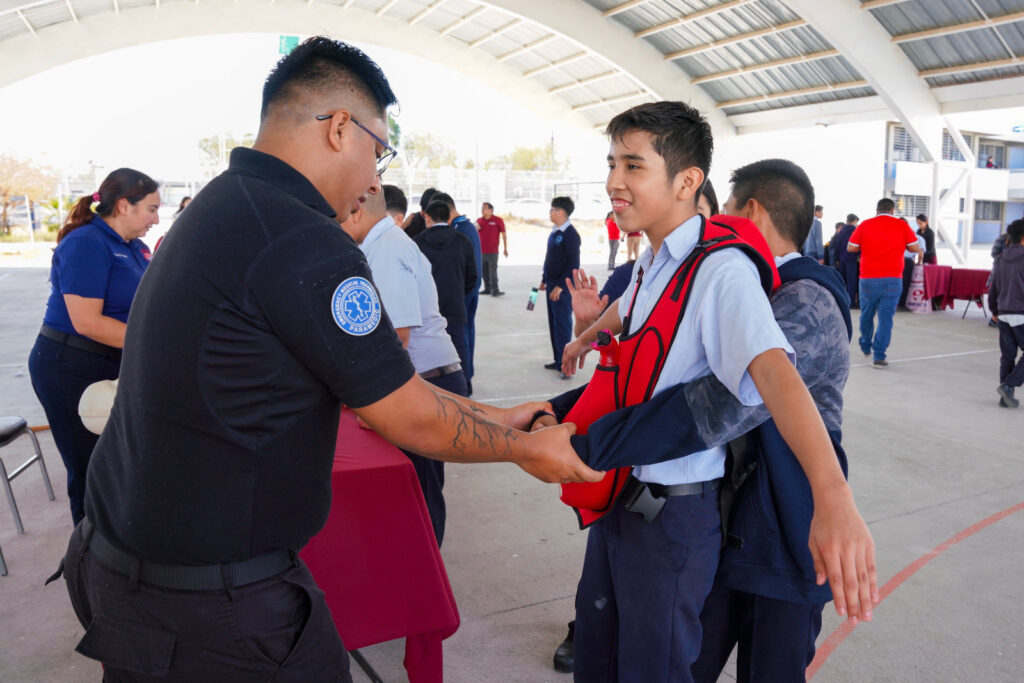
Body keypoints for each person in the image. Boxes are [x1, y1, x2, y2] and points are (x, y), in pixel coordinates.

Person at [56, 37, 599, 682]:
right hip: (212, 608)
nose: (375, 179)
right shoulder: (303, 240)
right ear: (341, 128)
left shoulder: (222, 206)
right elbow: (408, 415)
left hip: (129, 569)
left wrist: (501, 416)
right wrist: (522, 450)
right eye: (379, 150)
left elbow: (389, 383)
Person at [553, 103, 875, 682]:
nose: (614, 181)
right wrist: (590, 335)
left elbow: (731, 399)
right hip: (727, 502)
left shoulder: (774, 288)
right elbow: (639, 328)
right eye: (612, 164)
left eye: (632, 165)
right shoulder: (671, 260)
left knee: (764, 661)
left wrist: (833, 499)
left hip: (781, 507)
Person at [28, 168, 159, 525]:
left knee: (121, 463)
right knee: (90, 470)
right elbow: (87, 322)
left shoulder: (136, 247)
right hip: (70, 364)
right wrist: (157, 346)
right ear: (123, 206)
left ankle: (122, 551)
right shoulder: (86, 243)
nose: (156, 218)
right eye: (150, 208)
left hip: (112, 361)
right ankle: (89, 565)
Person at [341, 184, 465, 546]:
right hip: (423, 379)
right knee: (417, 492)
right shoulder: (383, 245)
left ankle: (425, 582)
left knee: (420, 496)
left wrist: (372, 398)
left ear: (357, 209)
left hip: (426, 382)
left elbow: (398, 337)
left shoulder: (386, 249)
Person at [847, 198, 921, 368]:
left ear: (877, 210)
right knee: (886, 318)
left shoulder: (865, 224)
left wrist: (866, 246)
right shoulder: (902, 226)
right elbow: (914, 247)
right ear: (893, 210)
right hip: (893, 279)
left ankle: (865, 344)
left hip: (868, 279)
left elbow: (851, 247)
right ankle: (879, 356)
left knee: (866, 315)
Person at [415, 198, 477, 387]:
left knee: (428, 353)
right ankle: (464, 388)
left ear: (428, 218)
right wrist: (459, 294)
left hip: (427, 311)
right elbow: (472, 276)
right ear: (449, 218)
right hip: (455, 306)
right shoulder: (462, 241)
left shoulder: (417, 243)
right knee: (458, 350)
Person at [443, 193, 483, 394]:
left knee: (464, 336)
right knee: (466, 334)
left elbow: (470, 268)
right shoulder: (464, 227)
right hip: (468, 292)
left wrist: (465, 293)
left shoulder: (463, 229)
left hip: (466, 294)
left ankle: (466, 379)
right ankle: (468, 374)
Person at [540, 196, 580, 377]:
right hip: (551, 283)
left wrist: (561, 286)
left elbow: (574, 264)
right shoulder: (555, 232)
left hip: (561, 288)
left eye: (553, 209)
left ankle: (567, 367)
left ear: (562, 212)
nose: (550, 212)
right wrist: (544, 278)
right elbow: (550, 258)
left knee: (563, 325)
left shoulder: (571, 234)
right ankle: (558, 360)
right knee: (554, 325)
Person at [989, 219, 1024, 408]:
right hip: (1021, 312)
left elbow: (993, 286)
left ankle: (1005, 398)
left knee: (1008, 356)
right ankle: (1009, 385)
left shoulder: (1001, 258)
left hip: (1003, 313)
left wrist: (994, 309)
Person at [477, 201, 507, 296]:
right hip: (481, 251)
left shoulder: (498, 220)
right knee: (484, 272)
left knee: (492, 272)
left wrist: (505, 248)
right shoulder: (479, 221)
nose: (482, 210)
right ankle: (487, 289)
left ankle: (495, 290)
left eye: (485, 208)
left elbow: (504, 234)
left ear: (491, 210)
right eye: (482, 208)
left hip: (493, 252)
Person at [835, 214, 860, 307]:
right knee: (852, 281)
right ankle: (851, 302)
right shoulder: (855, 230)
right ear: (855, 220)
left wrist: (837, 258)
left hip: (842, 258)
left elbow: (837, 245)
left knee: (843, 281)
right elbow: (857, 244)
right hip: (852, 258)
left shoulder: (842, 230)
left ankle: (843, 302)